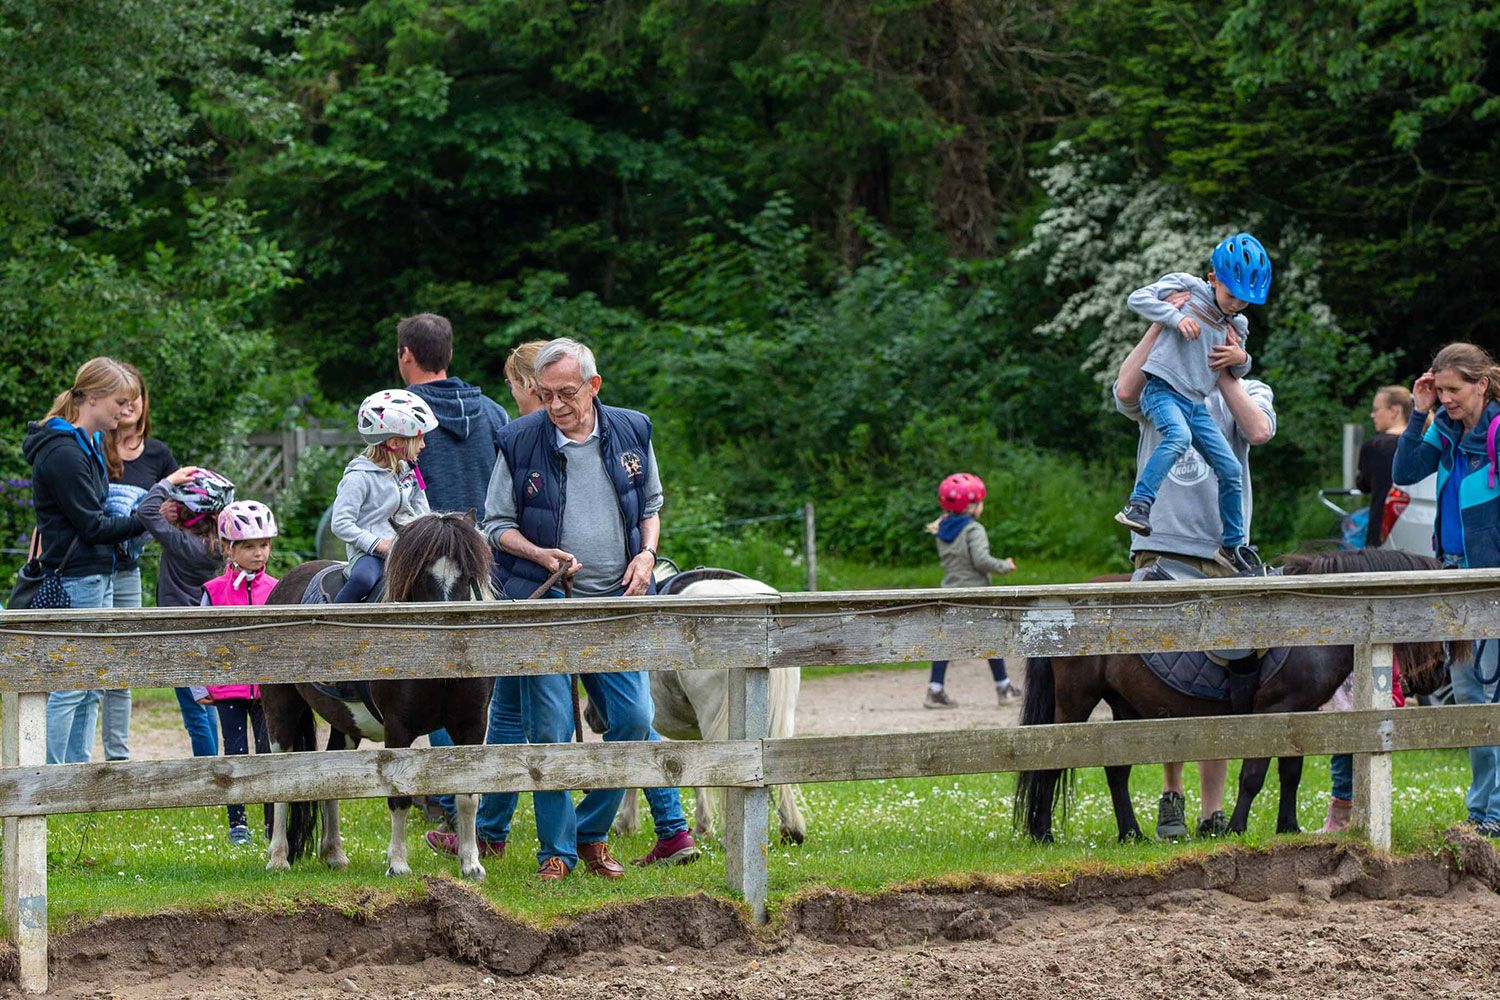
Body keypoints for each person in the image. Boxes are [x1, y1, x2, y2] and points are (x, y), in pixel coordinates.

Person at [481, 337, 693, 881]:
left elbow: (651, 506)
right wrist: (538, 553)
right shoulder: (518, 440)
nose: (555, 404)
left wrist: (647, 556)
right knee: (550, 728)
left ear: (593, 386)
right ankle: (556, 852)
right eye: (546, 393)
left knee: (634, 719)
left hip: (617, 604)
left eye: (567, 393)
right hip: (548, 602)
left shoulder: (633, 429)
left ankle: (589, 830)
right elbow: (496, 525)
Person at [1114, 305, 1276, 839]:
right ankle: (1171, 794)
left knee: (1222, 686)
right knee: (1164, 679)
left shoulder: (1251, 389)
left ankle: (1211, 810)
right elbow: (1124, 390)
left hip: (1223, 556)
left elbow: (1258, 430)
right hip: (1161, 548)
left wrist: (1226, 372)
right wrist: (1163, 325)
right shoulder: (1159, 390)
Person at [1114, 232, 1271, 575]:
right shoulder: (1187, 288)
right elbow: (1138, 299)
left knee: (1230, 468)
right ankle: (1138, 506)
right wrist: (1169, 319)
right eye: (1232, 295)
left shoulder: (1240, 335)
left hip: (1195, 401)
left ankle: (1235, 545)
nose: (1236, 305)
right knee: (1178, 437)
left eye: (1245, 301)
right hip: (1165, 390)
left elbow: (1259, 430)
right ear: (1213, 279)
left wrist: (1239, 358)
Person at [1393, 342, 1500, 837]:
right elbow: (1404, 472)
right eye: (1440, 391)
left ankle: (1494, 812)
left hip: (1490, 579)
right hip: (1454, 574)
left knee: (1493, 693)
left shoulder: (1496, 432)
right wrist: (1419, 413)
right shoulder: (1446, 430)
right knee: (1470, 692)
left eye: (1453, 390)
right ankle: (1482, 812)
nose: (1447, 399)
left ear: (1482, 384)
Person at [22, 358, 143, 764]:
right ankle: (52, 775)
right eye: (119, 402)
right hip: (77, 578)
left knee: (91, 684)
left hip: (96, 575)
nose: (125, 410)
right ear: (92, 397)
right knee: (72, 684)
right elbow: (91, 526)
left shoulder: (86, 445)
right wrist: (145, 518)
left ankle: (77, 771)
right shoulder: (63, 453)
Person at [99, 362, 177, 761]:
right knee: (82, 670)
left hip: (127, 572)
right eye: (122, 397)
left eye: (136, 397)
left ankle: (118, 758)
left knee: (121, 666)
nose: (129, 405)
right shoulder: (91, 446)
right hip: (88, 569)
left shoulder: (159, 454)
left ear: (145, 402)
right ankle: (72, 761)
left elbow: (178, 509)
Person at [191, 500, 280, 845]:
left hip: (268, 690)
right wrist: (200, 687)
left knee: (268, 753)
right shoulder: (213, 592)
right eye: (249, 546)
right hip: (228, 688)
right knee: (235, 753)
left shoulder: (277, 589)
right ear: (229, 548)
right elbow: (200, 641)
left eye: (264, 545)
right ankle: (237, 823)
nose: (259, 553)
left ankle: (273, 823)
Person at [138, 467, 239, 759]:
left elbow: (146, 512)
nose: (172, 507)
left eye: (178, 504)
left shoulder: (183, 542)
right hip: (205, 630)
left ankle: (207, 768)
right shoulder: (220, 545)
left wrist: (167, 483)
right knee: (206, 704)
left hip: (180, 632)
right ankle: (212, 762)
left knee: (194, 714)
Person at [921, 473, 1020, 709]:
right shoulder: (974, 529)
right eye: (980, 501)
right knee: (992, 638)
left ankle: (935, 690)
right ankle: (1004, 689)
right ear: (971, 505)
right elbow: (981, 560)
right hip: (975, 594)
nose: (982, 505)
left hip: (949, 592)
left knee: (944, 640)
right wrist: (1004, 566)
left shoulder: (942, 527)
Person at [330, 389, 436, 604]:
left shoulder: (411, 470)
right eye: (418, 438)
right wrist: (378, 544)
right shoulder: (358, 478)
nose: (423, 445)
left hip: (406, 549)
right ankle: (331, 617)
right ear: (395, 443)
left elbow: (423, 511)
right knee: (364, 579)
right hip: (369, 554)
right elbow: (340, 523)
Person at [1356, 386, 1414, 548]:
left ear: (1394, 411)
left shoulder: (1375, 446)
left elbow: (1363, 484)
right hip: (1417, 523)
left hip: (1382, 530)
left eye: (1376, 409)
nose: (1372, 415)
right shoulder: (1424, 443)